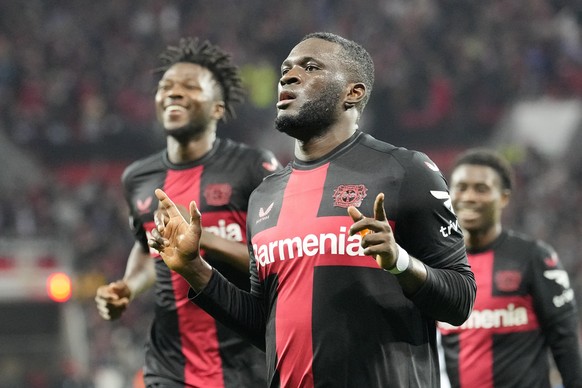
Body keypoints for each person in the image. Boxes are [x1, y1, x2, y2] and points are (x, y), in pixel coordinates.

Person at [148, 32, 476, 387]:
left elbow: (460, 299)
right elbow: (265, 326)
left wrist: (400, 262)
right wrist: (194, 268)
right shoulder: (265, 195)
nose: (288, 76)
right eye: (286, 69)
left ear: (354, 93)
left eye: (310, 67)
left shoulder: (405, 171)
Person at [94, 37, 281, 387]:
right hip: (170, 367)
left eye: (190, 87)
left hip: (246, 365)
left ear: (218, 108)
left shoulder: (252, 167)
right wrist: (128, 287)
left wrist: (204, 241)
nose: (174, 93)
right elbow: (145, 247)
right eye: (166, 87)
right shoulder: (138, 178)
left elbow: (279, 261)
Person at [438, 148, 582, 388]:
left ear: (504, 197)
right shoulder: (438, 263)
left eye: (481, 189)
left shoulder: (534, 258)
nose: (469, 196)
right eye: (461, 187)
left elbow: (565, 343)